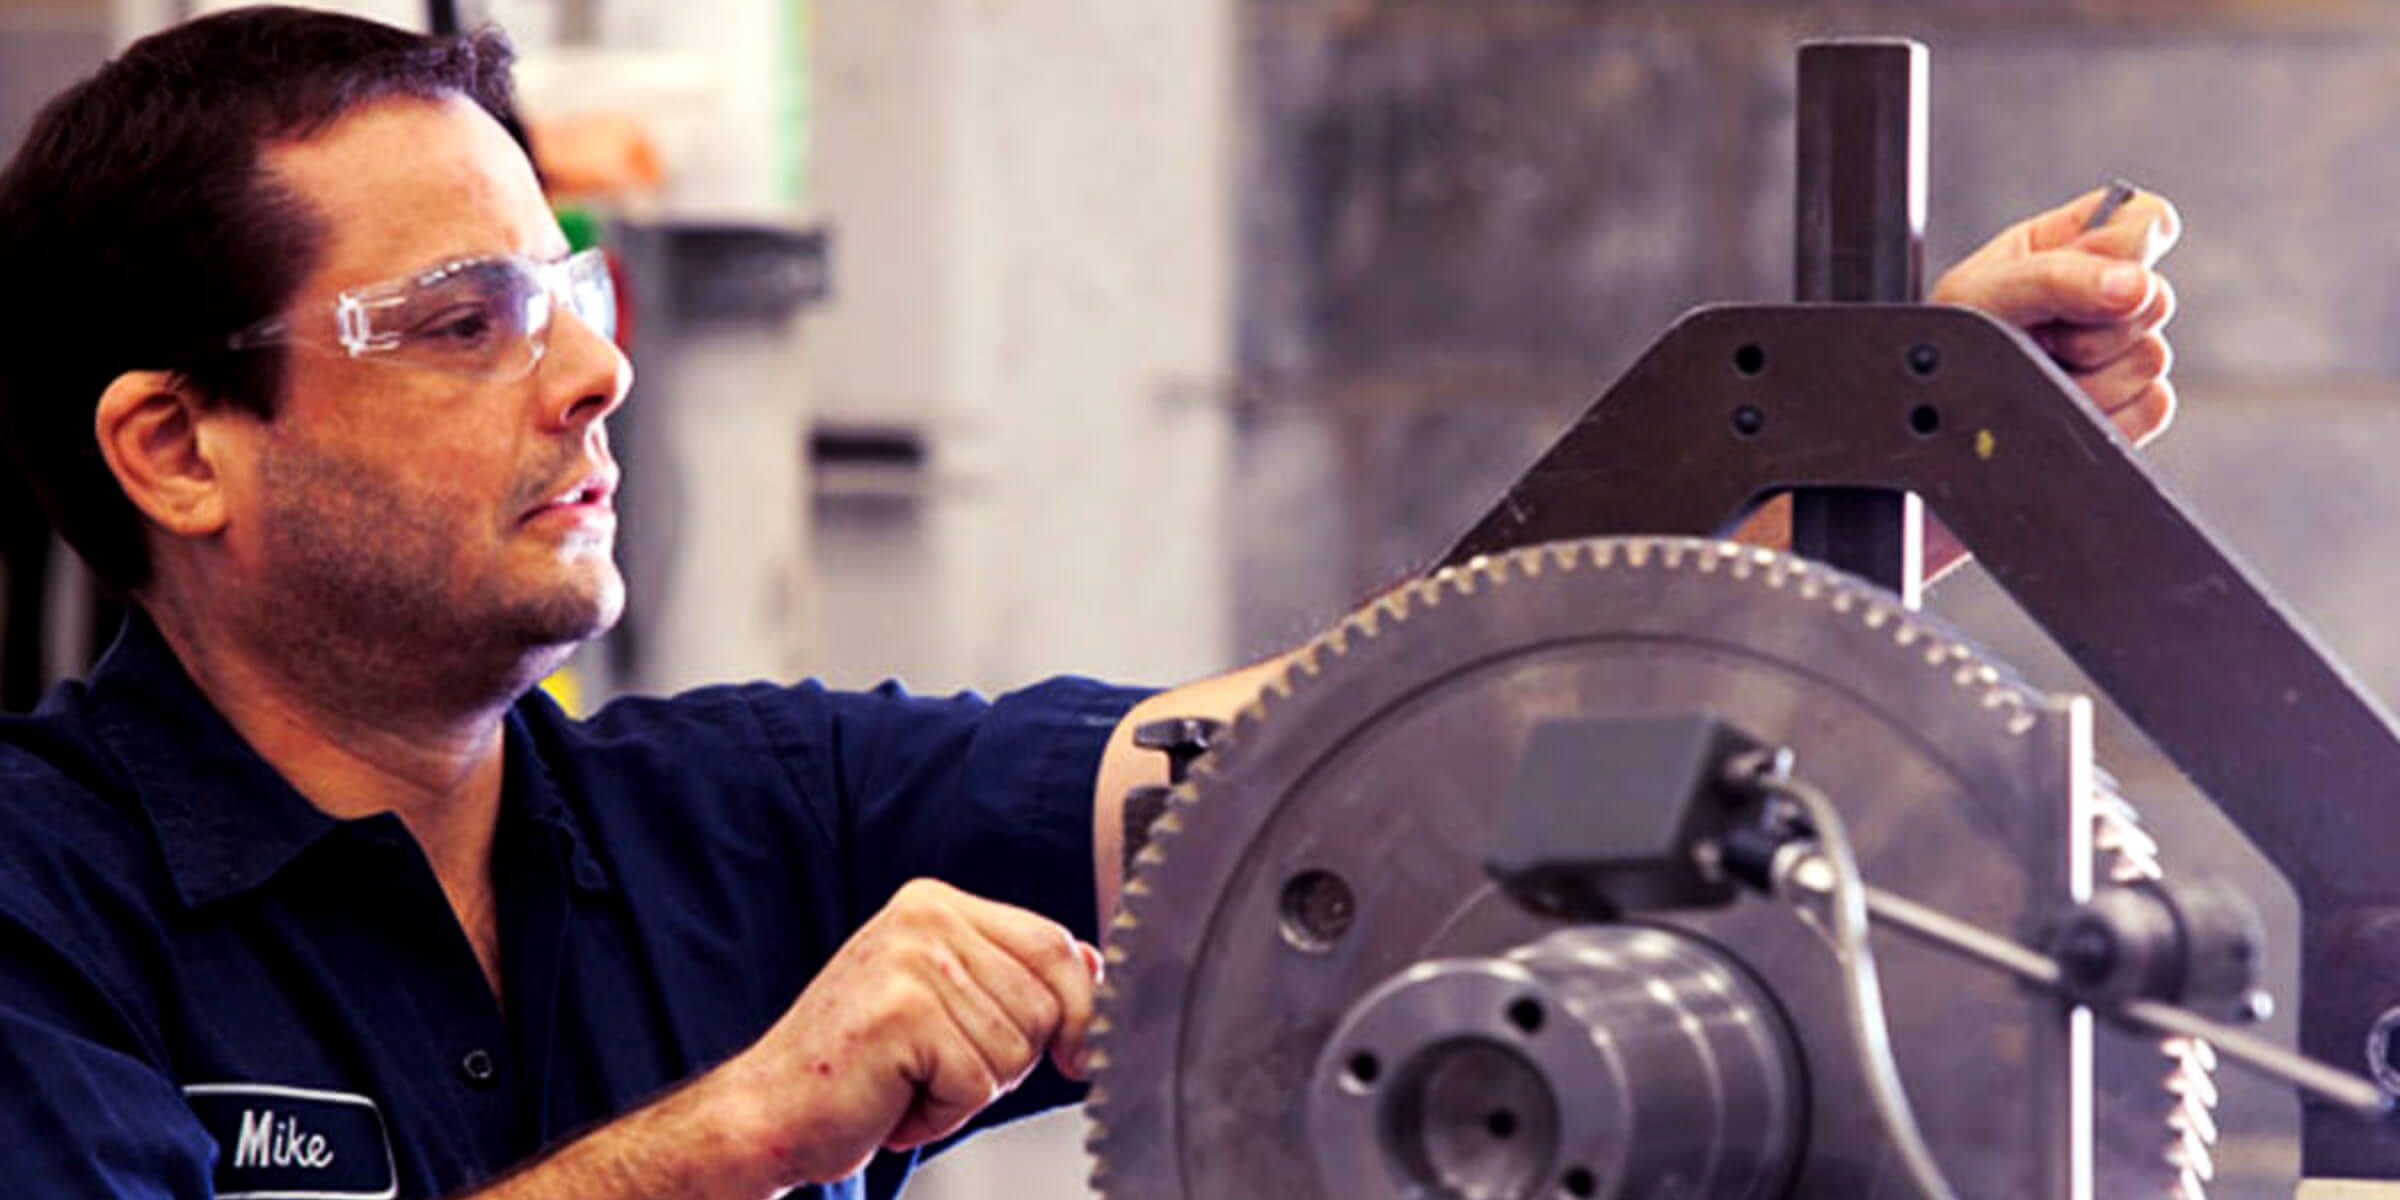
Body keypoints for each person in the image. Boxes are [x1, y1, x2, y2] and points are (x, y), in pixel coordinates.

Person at [0, 8, 2179, 1199]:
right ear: (179, 448)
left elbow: (1359, 762)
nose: (593, 364)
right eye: (464, 316)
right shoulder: (37, 911)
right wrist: (751, 1132)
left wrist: (1860, 494)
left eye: (574, 286)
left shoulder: (754, 813)